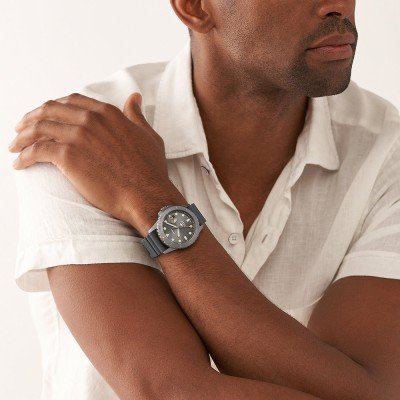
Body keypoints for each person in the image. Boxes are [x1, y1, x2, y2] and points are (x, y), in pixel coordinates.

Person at [9, 1, 400, 399]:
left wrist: (151, 200)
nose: (339, 5)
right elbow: (166, 390)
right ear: (195, 8)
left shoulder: (387, 152)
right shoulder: (82, 143)